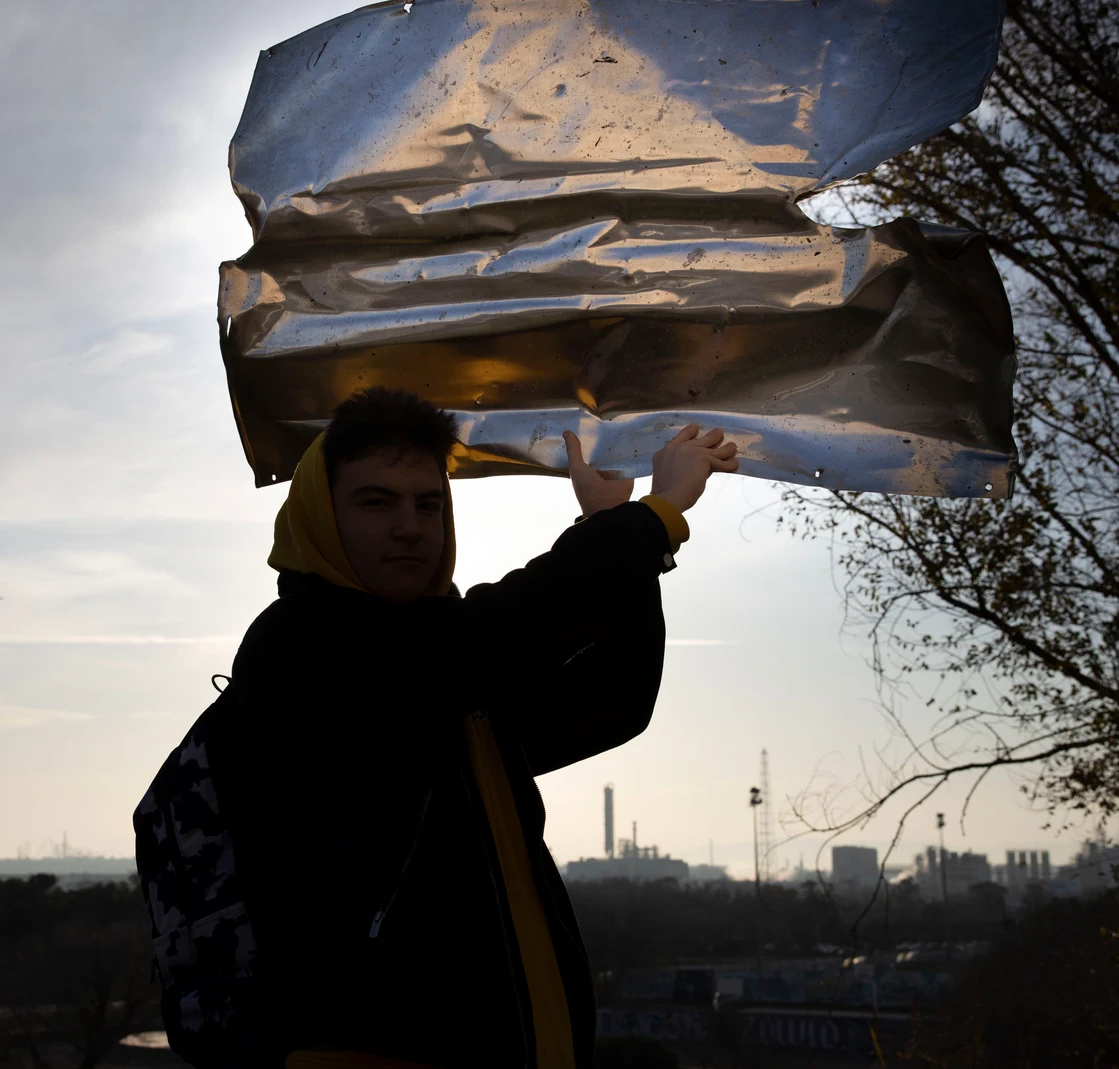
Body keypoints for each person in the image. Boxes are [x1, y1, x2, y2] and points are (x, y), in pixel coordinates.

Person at [208, 388, 737, 1069]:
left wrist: (620, 538)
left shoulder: (446, 673)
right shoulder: (302, 645)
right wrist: (652, 519)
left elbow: (612, 700)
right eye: (377, 502)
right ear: (320, 515)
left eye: (428, 504)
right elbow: (495, 631)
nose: (410, 526)